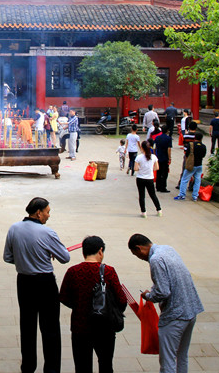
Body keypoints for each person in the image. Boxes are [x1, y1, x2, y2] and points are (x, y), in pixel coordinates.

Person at [4, 198, 71, 373]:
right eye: (47, 212)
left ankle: (28, 366)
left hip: (24, 282)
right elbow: (65, 257)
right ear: (39, 212)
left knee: (27, 325)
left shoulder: (14, 228)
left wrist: (24, 260)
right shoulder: (47, 232)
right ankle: (52, 368)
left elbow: (7, 257)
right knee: (50, 328)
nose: (48, 215)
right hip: (45, 283)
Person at [128, 234, 204, 373]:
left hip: (175, 315)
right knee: (182, 356)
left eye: (136, 254)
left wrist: (148, 296)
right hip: (191, 310)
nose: (140, 258)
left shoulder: (156, 259)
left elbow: (163, 292)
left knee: (168, 360)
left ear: (139, 249)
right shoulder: (168, 249)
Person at [60, 236, 128, 373]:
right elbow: (122, 300)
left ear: (83, 252)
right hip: (104, 327)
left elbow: (64, 297)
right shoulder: (108, 271)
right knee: (106, 364)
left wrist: (79, 305)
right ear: (100, 251)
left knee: (82, 366)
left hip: (80, 326)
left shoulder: (73, 271)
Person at [175, 133, 206, 202]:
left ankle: (182, 195)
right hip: (199, 165)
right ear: (201, 139)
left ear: (195, 138)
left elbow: (187, 154)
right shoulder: (203, 146)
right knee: (197, 181)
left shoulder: (191, 145)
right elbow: (203, 155)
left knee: (184, 179)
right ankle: (195, 196)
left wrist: (186, 163)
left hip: (191, 165)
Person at [135, 141, 162, 218]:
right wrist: (150, 169)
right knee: (153, 195)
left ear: (142, 148)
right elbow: (157, 167)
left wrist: (141, 168)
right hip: (149, 178)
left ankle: (143, 212)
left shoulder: (139, 157)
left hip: (140, 178)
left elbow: (135, 168)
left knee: (141, 195)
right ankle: (159, 210)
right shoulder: (153, 157)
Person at [154, 128, 173, 193]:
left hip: (158, 156)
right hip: (165, 157)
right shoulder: (168, 139)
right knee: (164, 173)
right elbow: (169, 149)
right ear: (167, 131)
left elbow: (154, 147)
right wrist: (169, 157)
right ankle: (163, 187)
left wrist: (154, 154)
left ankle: (158, 186)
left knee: (159, 172)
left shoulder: (157, 138)